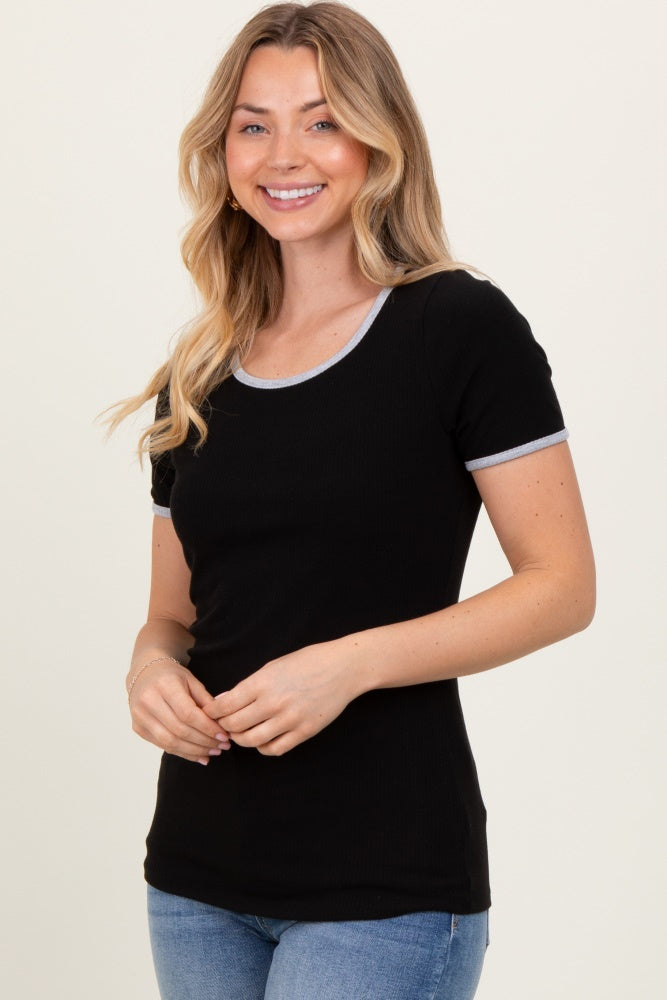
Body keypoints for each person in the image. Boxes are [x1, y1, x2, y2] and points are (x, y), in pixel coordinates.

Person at [110, 3, 595, 997]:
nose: (284, 153)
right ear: (223, 152)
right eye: (253, 124)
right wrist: (147, 669)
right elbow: (172, 617)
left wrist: (348, 666)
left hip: (385, 883)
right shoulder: (197, 372)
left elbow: (561, 587)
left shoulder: (459, 328)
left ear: (379, 140)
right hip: (195, 877)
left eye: (322, 120)